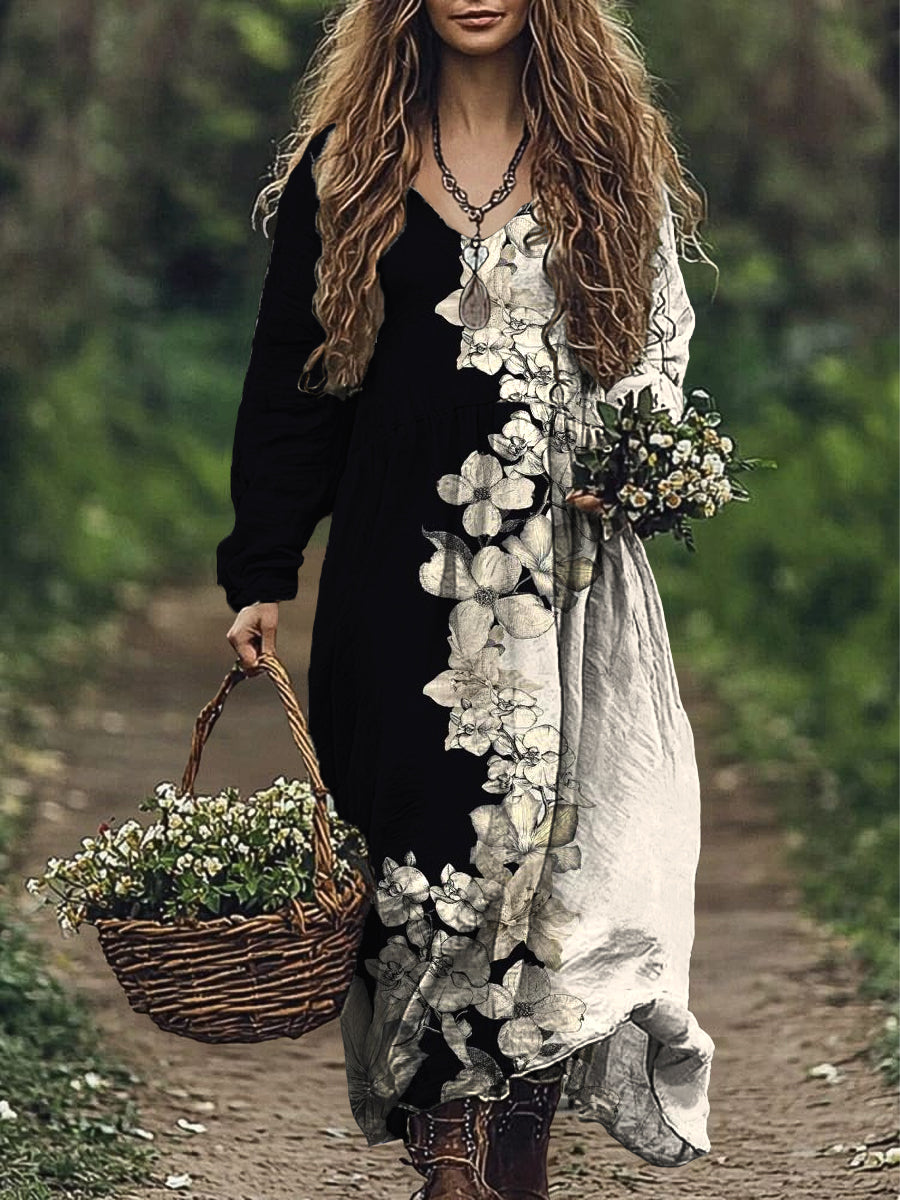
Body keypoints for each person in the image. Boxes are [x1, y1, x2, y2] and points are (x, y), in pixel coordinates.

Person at [216, 2, 717, 1197]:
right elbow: (296, 379)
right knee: (419, 867)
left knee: (553, 878)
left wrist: (637, 463)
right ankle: (448, 1156)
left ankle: (522, 1152)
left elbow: (655, 348)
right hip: (400, 581)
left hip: (565, 586)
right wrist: (262, 570)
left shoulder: (606, 157)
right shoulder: (351, 170)